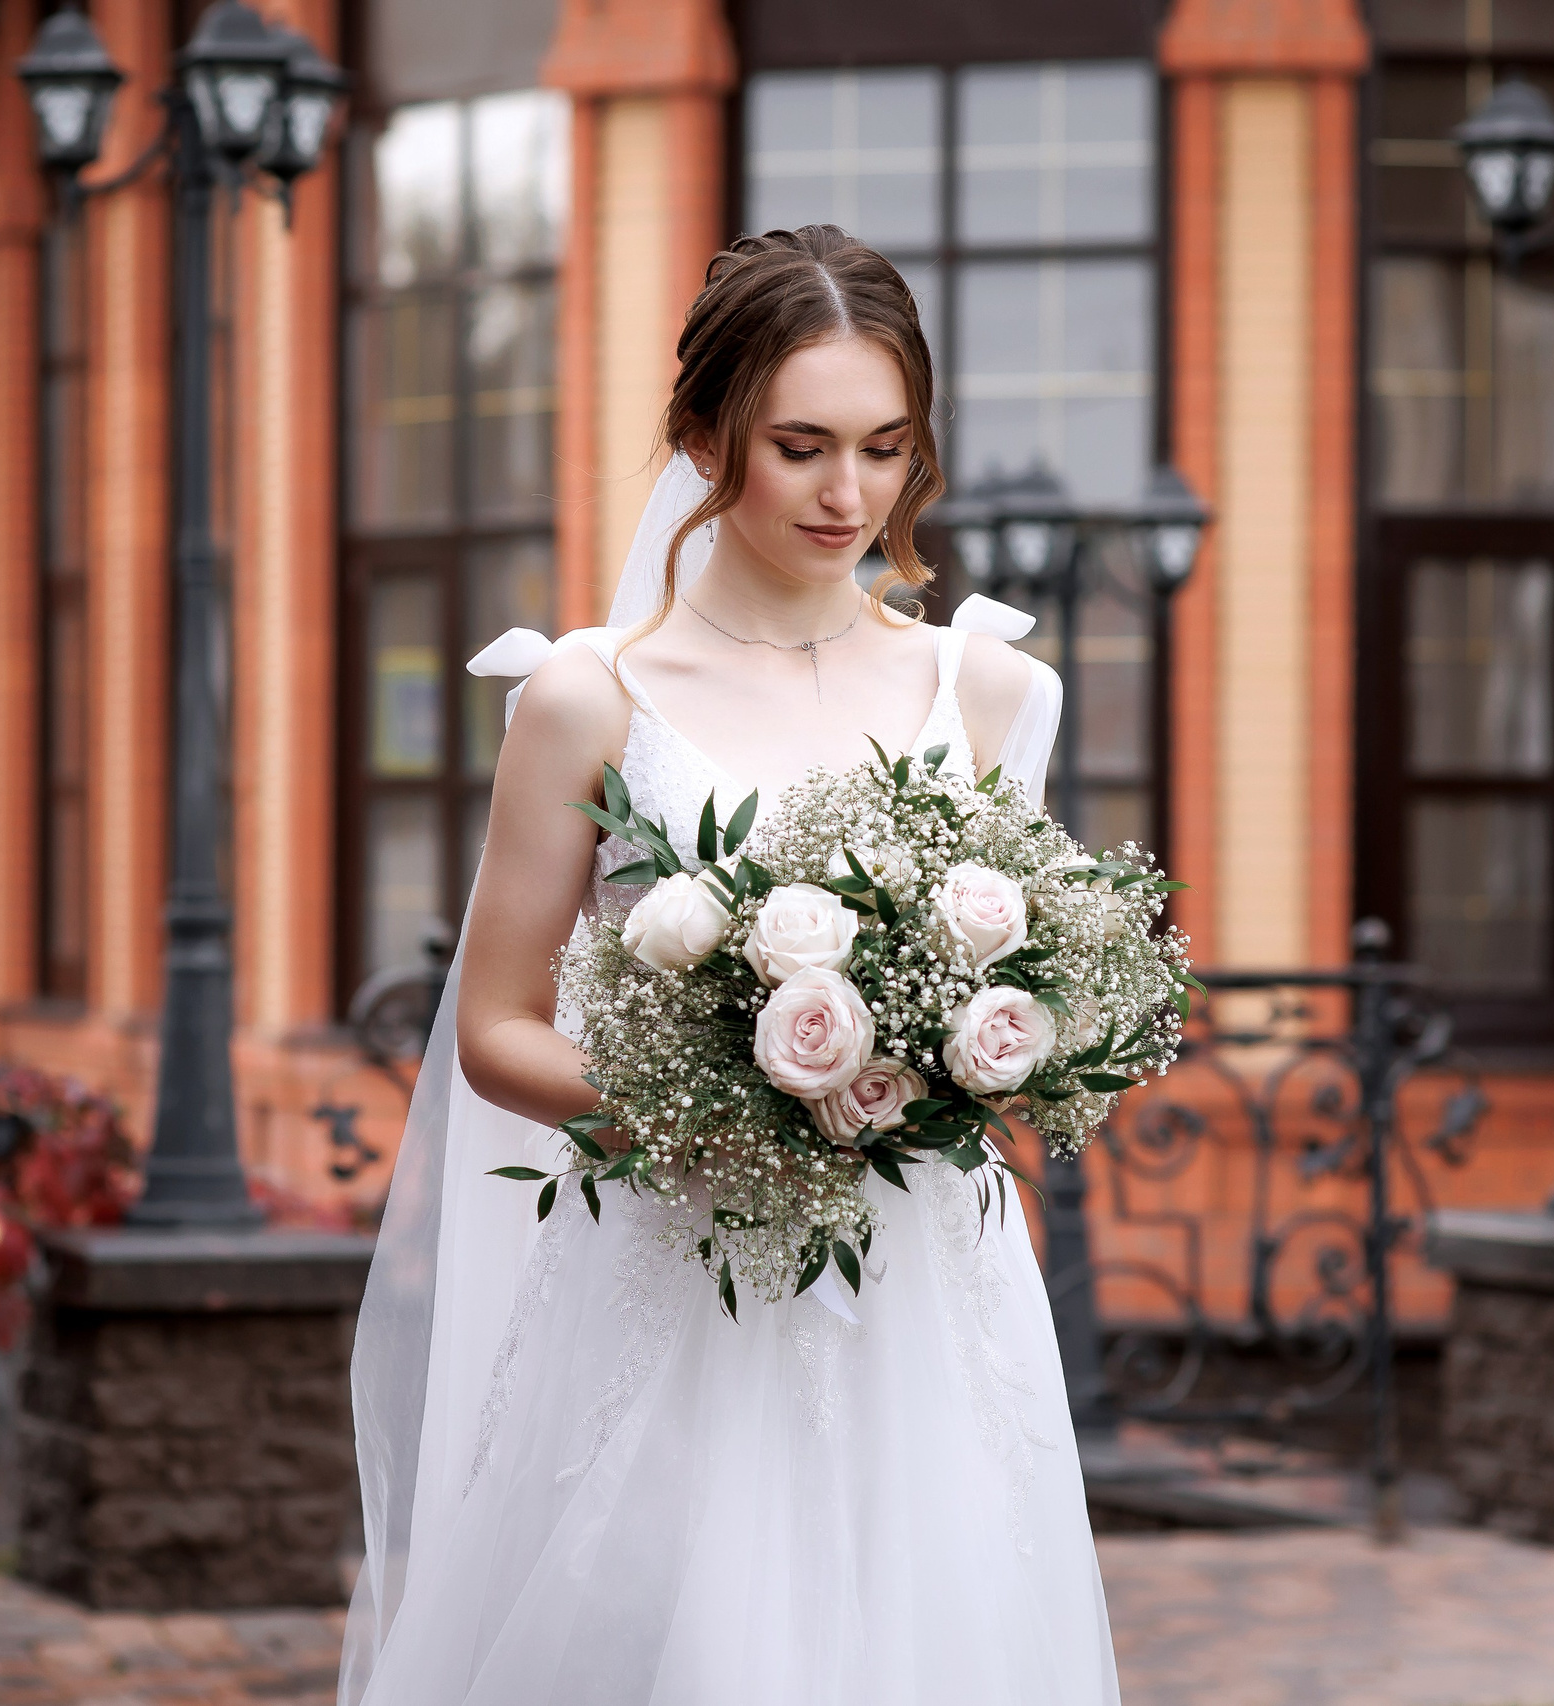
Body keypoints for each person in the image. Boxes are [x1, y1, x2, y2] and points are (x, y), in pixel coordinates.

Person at [338, 225, 1117, 1705]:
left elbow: (1028, 993)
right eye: (801, 446)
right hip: (676, 1278)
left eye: (886, 448)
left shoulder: (993, 688)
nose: (849, 494)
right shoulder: (592, 698)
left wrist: (989, 1060)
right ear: (704, 437)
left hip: (927, 1307)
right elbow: (496, 1027)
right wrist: (724, 1103)